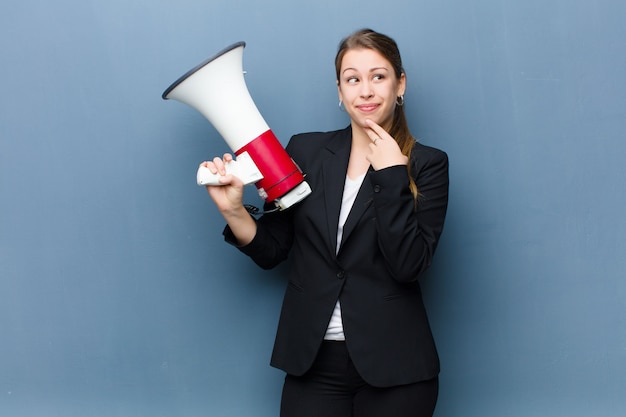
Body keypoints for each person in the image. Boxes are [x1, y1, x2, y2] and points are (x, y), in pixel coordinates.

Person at [201, 28, 449, 417]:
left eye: (378, 76)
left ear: (400, 84)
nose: (365, 90)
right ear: (339, 90)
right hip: (312, 365)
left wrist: (392, 177)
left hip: (396, 369)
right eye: (353, 79)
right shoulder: (305, 150)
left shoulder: (428, 165)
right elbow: (273, 251)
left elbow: (408, 265)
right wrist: (233, 210)